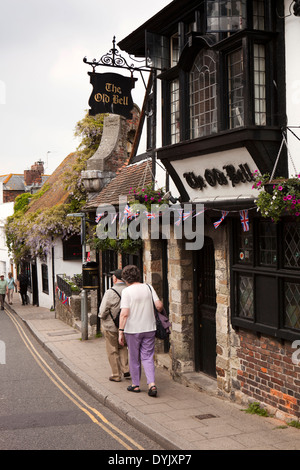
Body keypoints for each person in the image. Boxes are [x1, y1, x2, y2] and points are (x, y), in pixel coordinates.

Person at [118, 265, 163, 397]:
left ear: (126, 278)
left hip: (132, 330)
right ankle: (151, 384)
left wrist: (120, 331)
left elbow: (124, 313)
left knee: (134, 357)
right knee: (148, 357)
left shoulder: (127, 292)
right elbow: (159, 305)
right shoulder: (148, 287)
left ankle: (136, 385)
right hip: (149, 327)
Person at [99, 269, 130, 382]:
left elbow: (102, 312)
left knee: (112, 349)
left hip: (111, 326)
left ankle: (116, 375)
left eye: (112, 276)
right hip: (125, 326)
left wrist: (102, 316)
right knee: (123, 346)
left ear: (115, 278)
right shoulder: (128, 290)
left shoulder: (110, 292)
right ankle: (126, 369)